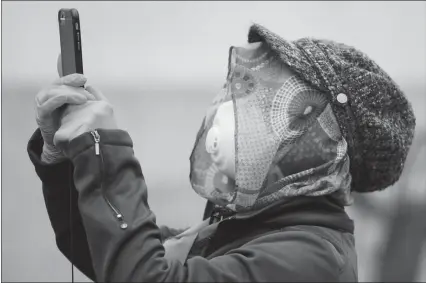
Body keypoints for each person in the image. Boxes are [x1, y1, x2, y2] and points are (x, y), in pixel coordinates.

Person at [28, 24, 416, 282]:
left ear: (324, 144)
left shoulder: (310, 259)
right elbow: (114, 254)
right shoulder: (252, 226)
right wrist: (61, 154)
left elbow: (146, 276)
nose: (239, 108)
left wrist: (103, 148)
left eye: (276, 107)